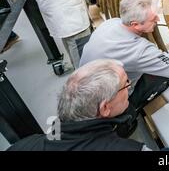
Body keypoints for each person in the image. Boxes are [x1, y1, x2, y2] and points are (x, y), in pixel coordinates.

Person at [7, 59, 150, 151]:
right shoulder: (130, 149)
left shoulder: (24, 145)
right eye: (125, 84)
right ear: (105, 108)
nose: (129, 85)